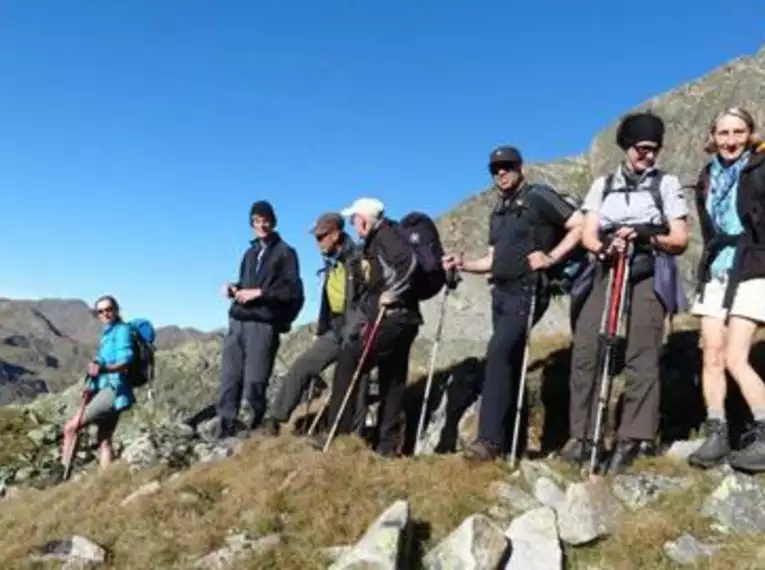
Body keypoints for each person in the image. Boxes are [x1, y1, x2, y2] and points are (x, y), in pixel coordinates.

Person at [561, 111, 690, 473]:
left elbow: (680, 238)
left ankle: (634, 435)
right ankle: (583, 435)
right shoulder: (602, 185)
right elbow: (588, 234)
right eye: (641, 148)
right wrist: (604, 246)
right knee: (587, 347)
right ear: (626, 147)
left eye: (653, 149)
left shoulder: (666, 184)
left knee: (642, 351)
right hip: (606, 268)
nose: (647, 155)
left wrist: (648, 236)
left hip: (649, 270)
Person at [442, 145, 584, 462]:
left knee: (498, 352)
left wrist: (551, 257)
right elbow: (492, 260)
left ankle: (489, 441)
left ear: (522, 168)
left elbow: (579, 224)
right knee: (511, 359)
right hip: (501, 293)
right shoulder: (498, 211)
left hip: (529, 290)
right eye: (496, 169)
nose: (501, 173)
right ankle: (511, 444)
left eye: (507, 167)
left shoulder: (539, 197)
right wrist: (463, 263)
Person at [687, 107, 765, 473]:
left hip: (754, 265)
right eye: (723, 133)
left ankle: (763, 432)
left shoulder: (761, 166)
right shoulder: (707, 176)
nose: (730, 140)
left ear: (749, 134)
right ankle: (717, 433)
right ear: (713, 137)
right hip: (717, 268)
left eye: (738, 132)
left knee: (736, 356)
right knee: (712, 356)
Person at [313, 197, 420, 456]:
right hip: (404, 320)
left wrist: (391, 294)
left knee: (350, 360)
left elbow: (408, 264)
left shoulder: (385, 237)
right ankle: (387, 447)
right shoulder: (382, 237)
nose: (353, 223)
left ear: (365, 219)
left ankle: (341, 438)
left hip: (391, 319)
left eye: (354, 219)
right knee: (392, 380)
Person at [262, 212, 366, 436]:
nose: (317, 242)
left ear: (335, 234)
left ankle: (351, 436)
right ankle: (275, 419)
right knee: (303, 365)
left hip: (356, 330)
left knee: (353, 380)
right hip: (336, 328)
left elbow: (365, 298)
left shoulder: (357, 258)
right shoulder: (332, 260)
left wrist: (356, 328)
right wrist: (324, 328)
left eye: (321, 237)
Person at [216, 200, 303, 439]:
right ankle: (225, 426)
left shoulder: (285, 253)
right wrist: (234, 287)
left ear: (273, 222)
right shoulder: (250, 252)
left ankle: (252, 428)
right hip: (238, 321)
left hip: (263, 324)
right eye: (256, 221)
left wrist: (261, 293)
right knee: (230, 376)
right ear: (251, 223)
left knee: (255, 379)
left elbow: (292, 291)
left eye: (265, 220)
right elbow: (246, 284)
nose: (261, 225)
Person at [60, 295, 136, 472]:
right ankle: (105, 481)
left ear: (116, 310)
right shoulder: (109, 332)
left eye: (108, 309)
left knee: (71, 428)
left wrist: (104, 369)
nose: (105, 314)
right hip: (112, 390)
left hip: (113, 390)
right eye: (100, 311)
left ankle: (64, 475)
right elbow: (106, 359)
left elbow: (126, 359)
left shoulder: (121, 330)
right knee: (104, 438)